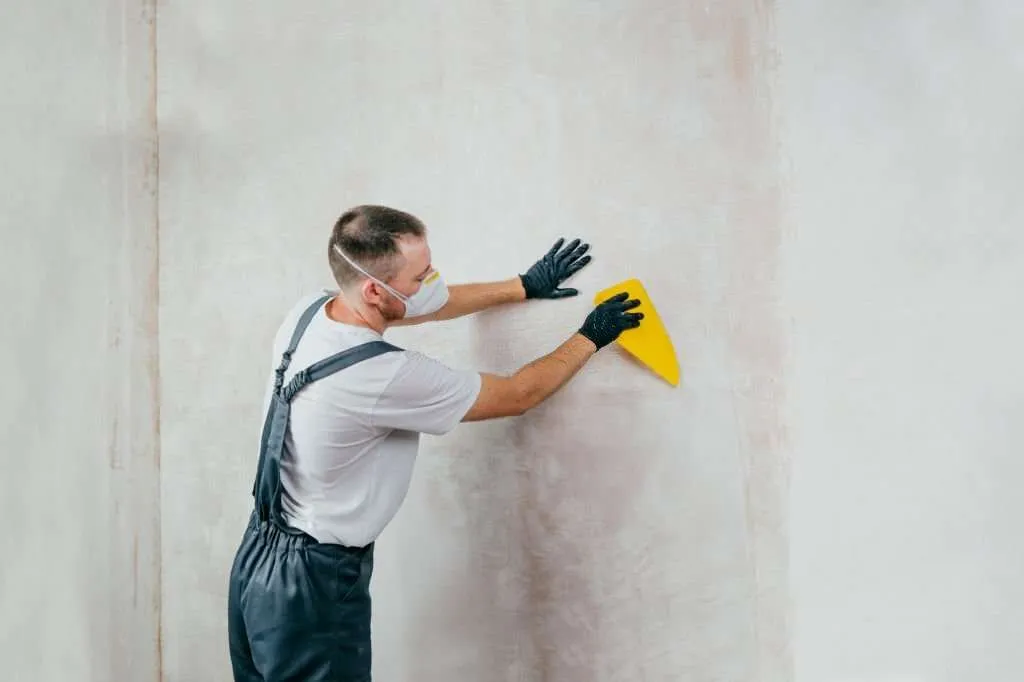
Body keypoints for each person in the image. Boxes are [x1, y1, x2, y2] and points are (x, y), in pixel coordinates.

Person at [227, 204, 644, 681]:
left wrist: (522, 286)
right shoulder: (382, 374)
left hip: (257, 562)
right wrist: (591, 335)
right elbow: (519, 394)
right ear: (374, 289)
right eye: (420, 275)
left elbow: (419, 309)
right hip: (312, 589)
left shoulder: (311, 313)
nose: (432, 281)